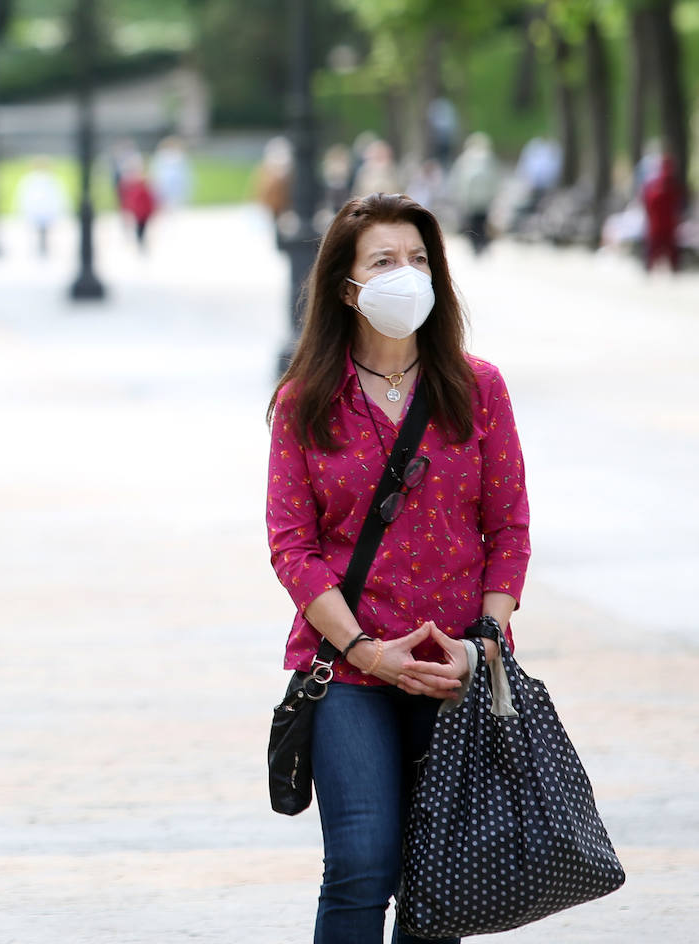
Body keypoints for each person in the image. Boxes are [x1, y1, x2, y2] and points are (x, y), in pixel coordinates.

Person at [266, 192, 530, 943]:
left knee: (442, 878)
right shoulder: (305, 402)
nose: (405, 274)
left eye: (418, 260)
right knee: (361, 866)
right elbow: (292, 546)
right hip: (351, 667)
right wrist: (363, 649)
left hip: (457, 664)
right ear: (347, 287)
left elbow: (509, 528)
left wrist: (482, 640)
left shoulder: (479, 388)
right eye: (384, 261)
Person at [448, 132, 502, 255]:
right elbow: (495, 178)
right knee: (482, 222)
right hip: (484, 198)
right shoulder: (489, 158)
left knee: (472, 223)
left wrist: (458, 196)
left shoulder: (465, 158)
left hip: (470, 198)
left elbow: (457, 178)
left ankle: (476, 245)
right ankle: (481, 245)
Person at [13, 158, 68, 258]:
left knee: (43, 231)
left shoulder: (48, 180)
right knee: (41, 231)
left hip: (44, 210)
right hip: (39, 210)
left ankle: (43, 247)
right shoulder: (35, 180)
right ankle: (42, 247)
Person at [641, 154, 684, 272]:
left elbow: (646, 202)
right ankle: (674, 268)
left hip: (657, 224)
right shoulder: (673, 186)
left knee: (655, 248)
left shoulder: (652, 186)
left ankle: (649, 267)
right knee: (669, 248)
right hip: (667, 224)